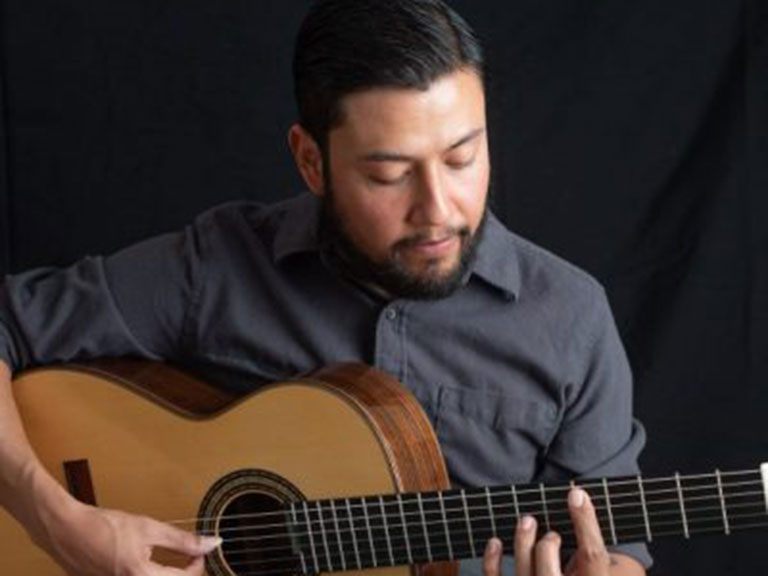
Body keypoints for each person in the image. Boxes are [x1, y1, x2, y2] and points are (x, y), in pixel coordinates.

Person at [0, 1, 652, 575]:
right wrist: (55, 518)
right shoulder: (219, 267)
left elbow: (618, 553)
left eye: (462, 158)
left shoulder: (570, 317)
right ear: (312, 161)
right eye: (390, 174)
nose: (438, 208)